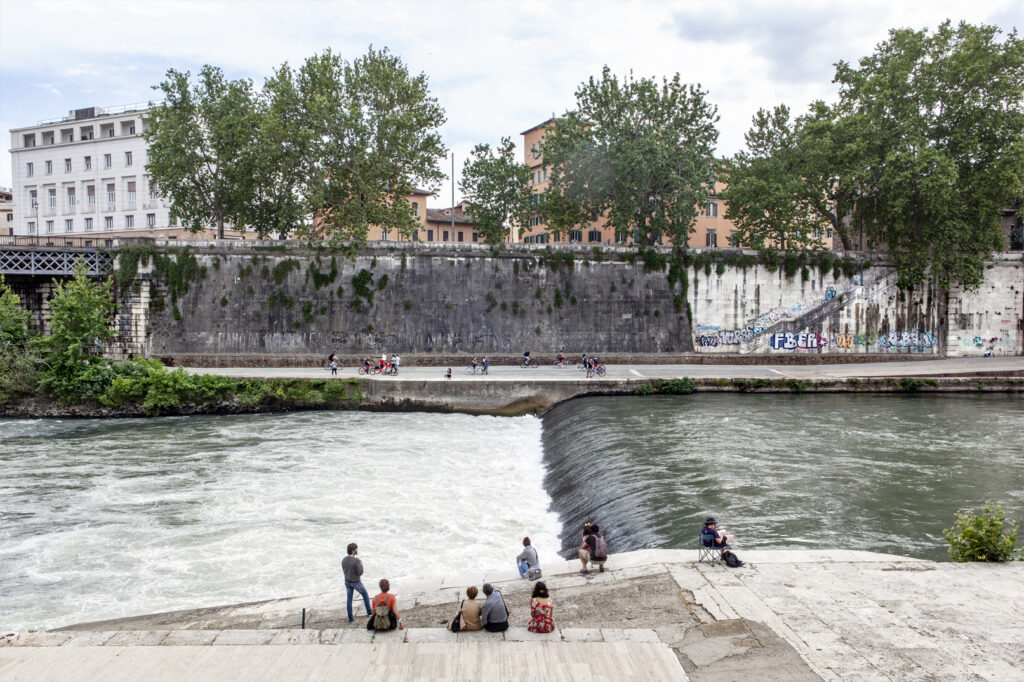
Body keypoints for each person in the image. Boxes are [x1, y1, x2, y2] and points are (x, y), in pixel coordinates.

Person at [342, 543, 371, 623]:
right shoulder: (356, 561)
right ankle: (369, 612)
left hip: (347, 581)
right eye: (356, 549)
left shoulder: (344, 559)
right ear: (353, 551)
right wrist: (361, 565)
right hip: (356, 582)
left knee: (349, 599)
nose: (357, 551)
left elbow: (344, 569)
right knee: (365, 594)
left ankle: (351, 618)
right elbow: (360, 572)